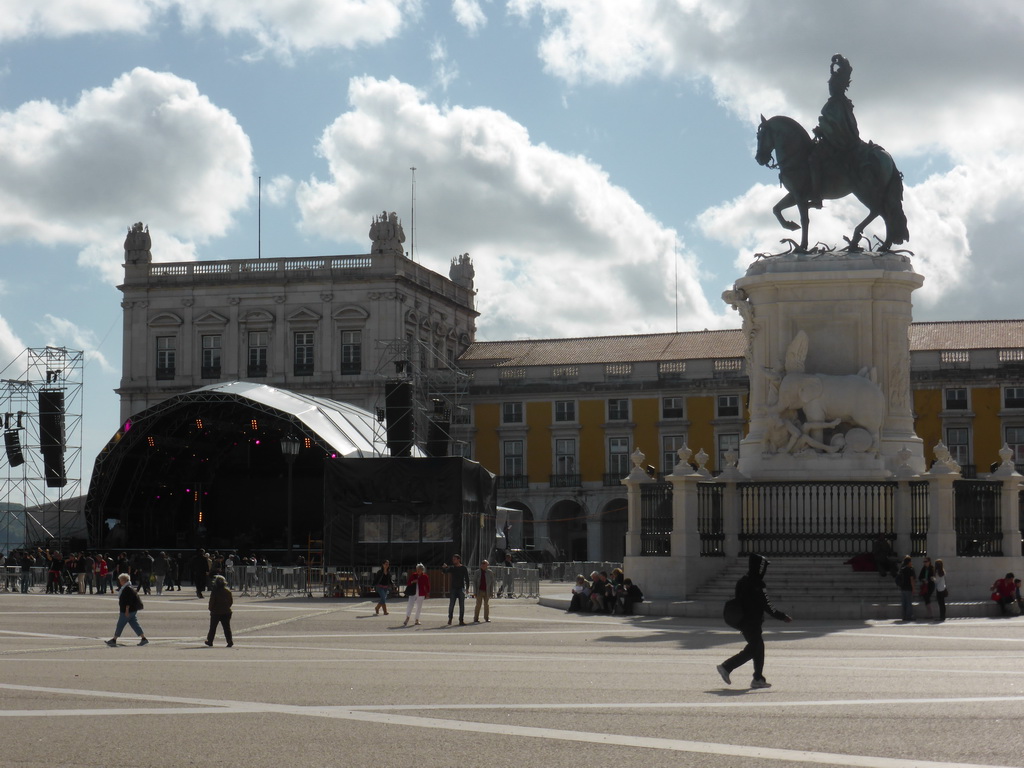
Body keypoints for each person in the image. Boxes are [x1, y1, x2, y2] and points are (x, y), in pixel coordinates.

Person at [716, 554, 792, 689]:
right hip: (753, 622)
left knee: (758, 648)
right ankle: (727, 667)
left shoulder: (742, 581)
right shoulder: (757, 584)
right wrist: (782, 616)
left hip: (743, 621)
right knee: (753, 649)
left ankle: (758, 678)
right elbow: (766, 605)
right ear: (760, 568)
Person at [105, 573, 149, 647]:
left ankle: (114, 639)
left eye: (120, 580)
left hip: (128, 610)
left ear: (124, 580)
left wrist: (126, 610)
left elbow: (128, 601)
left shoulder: (127, 589)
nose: (120, 582)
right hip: (132, 610)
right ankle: (144, 638)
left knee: (120, 624)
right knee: (135, 624)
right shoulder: (128, 587)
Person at [204, 574, 233, 647]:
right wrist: (226, 607)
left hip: (216, 612)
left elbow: (212, 602)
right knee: (227, 628)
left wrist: (211, 609)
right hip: (226, 612)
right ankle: (229, 641)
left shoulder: (215, 592)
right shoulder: (228, 591)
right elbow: (230, 602)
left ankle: (210, 641)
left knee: (213, 628)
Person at [442, 554, 470, 626]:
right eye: (453, 559)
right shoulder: (452, 568)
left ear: (458, 560)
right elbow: (445, 572)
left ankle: (461, 620)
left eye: (455, 559)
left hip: (461, 588)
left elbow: (467, 578)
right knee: (451, 604)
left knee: (462, 605)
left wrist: (467, 588)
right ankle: (450, 618)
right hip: (453, 588)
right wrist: (444, 568)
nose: (453, 560)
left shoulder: (463, 568)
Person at [472, 559, 495, 623]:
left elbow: (492, 582)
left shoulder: (490, 572)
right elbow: (474, 582)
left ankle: (486, 618)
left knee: (486, 605)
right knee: (478, 605)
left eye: (485, 564)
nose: (484, 566)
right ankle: (476, 618)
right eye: (483, 564)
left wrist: (491, 592)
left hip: (487, 591)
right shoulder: (477, 572)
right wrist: (475, 592)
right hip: (479, 591)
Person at [897, 555, 916, 622]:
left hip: (902, 588)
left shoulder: (902, 569)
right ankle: (909, 616)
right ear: (909, 562)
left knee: (904, 603)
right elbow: (911, 580)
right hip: (908, 588)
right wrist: (913, 588)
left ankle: (904, 616)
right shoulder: (910, 569)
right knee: (909, 603)